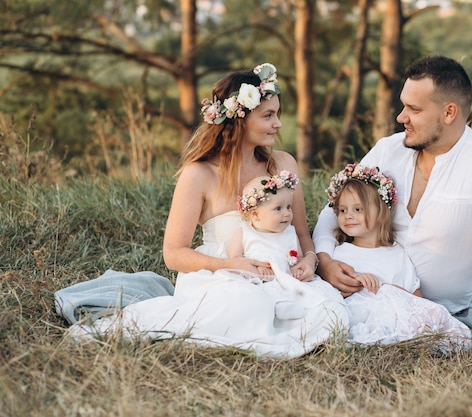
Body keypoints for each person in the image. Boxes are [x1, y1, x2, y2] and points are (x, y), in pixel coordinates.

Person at [67, 63, 347, 358]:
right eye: (268, 115)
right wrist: (232, 265)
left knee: (331, 310)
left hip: (283, 273)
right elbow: (173, 254)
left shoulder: (283, 165)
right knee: (251, 306)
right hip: (222, 276)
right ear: (239, 119)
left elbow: (301, 232)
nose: (278, 124)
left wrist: (309, 259)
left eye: (277, 114)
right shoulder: (199, 174)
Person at [313, 56, 472, 345]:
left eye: (413, 109)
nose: (401, 117)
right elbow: (334, 210)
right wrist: (324, 260)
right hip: (362, 299)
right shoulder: (387, 151)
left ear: (449, 112)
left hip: (440, 313)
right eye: (404, 106)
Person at [326, 163, 471, 351]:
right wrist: (357, 280)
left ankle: (413, 337)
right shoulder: (341, 253)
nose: (348, 216)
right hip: (360, 315)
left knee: (432, 313)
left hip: (395, 318)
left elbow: (416, 299)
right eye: (342, 210)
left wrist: (393, 291)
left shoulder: (397, 253)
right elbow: (331, 293)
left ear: (380, 212)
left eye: (358, 209)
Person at [225, 171, 329, 320]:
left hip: (285, 276)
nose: (287, 214)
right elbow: (235, 258)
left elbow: (298, 257)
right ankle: (277, 306)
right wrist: (256, 269)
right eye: (278, 209)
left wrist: (298, 269)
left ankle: (293, 305)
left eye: (288, 207)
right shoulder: (245, 232)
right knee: (258, 291)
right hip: (259, 278)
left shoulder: (290, 232)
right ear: (255, 214)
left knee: (303, 289)